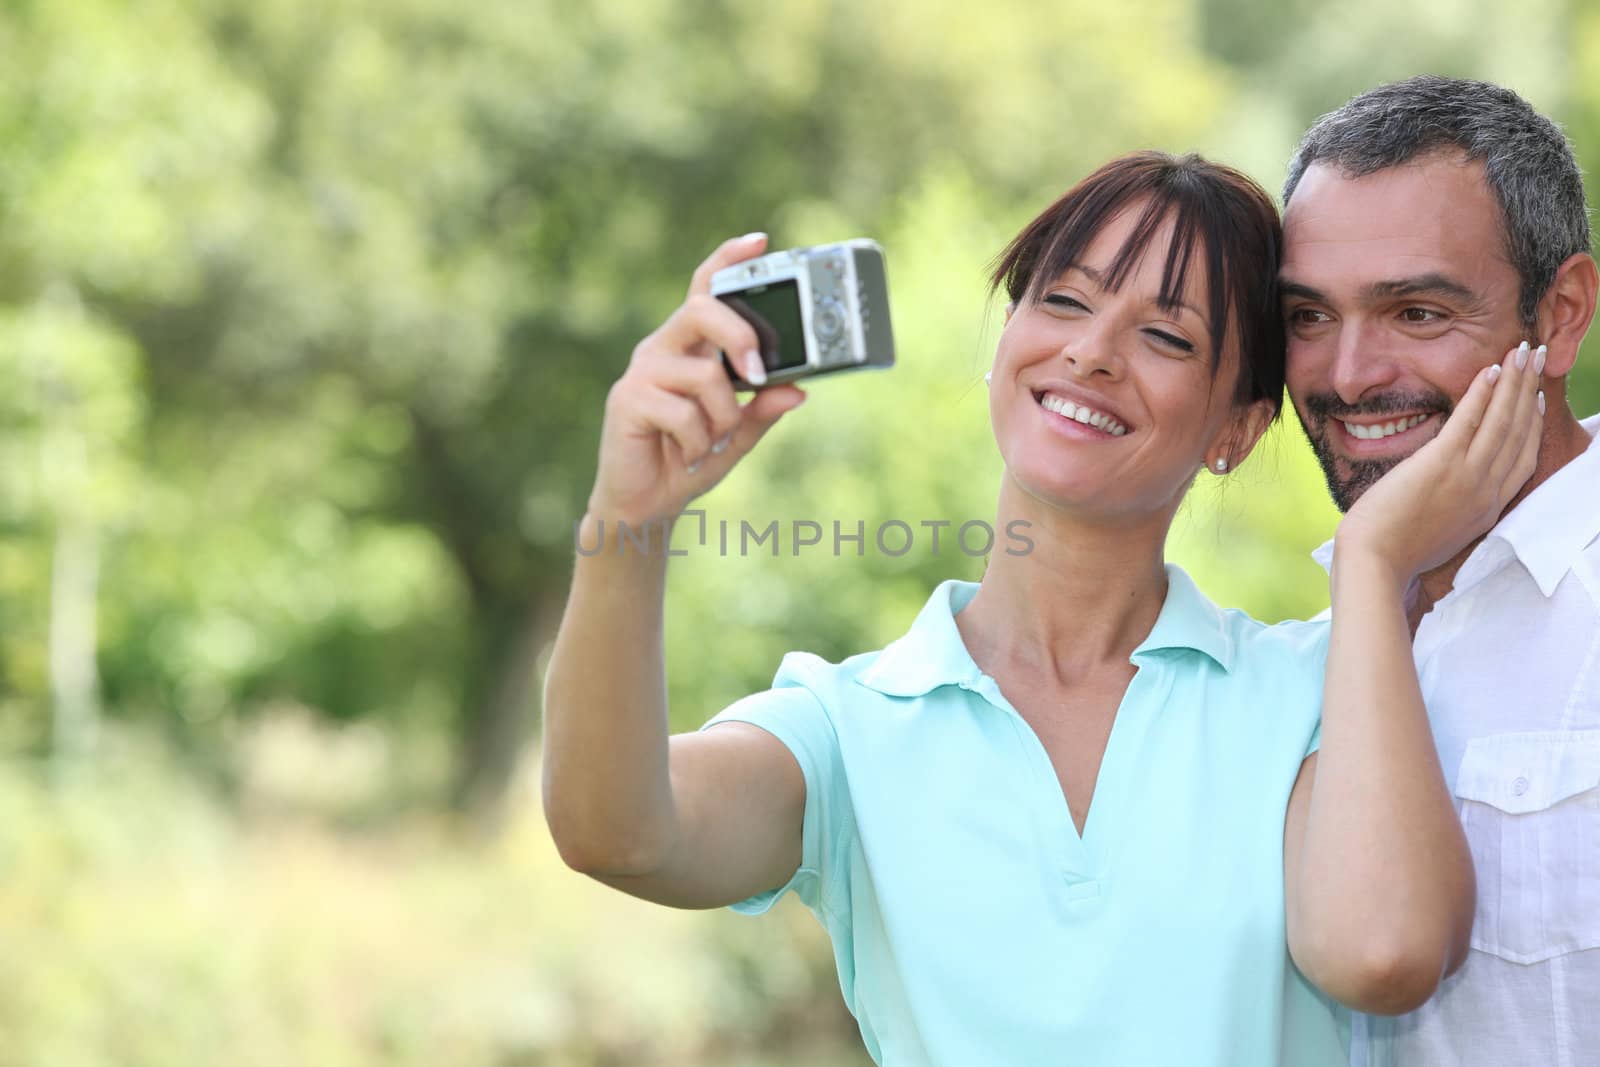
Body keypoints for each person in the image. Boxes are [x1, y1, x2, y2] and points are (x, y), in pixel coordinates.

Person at [542, 151, 1538, 1065]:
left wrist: (1368, 562)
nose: (1092, 353)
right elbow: (618, 833)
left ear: (1234, 428)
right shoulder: (850, 725)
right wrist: (627, 517)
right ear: (1005, 345)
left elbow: (1384, 952)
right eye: (1061, 301)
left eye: (1163, 334)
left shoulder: (1319, 687)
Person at [1280, 75, 1600, 1066]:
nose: (1347, 374)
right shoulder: (1293, 665)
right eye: (1306, 317)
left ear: (1561, 313)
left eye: (1415, 312)